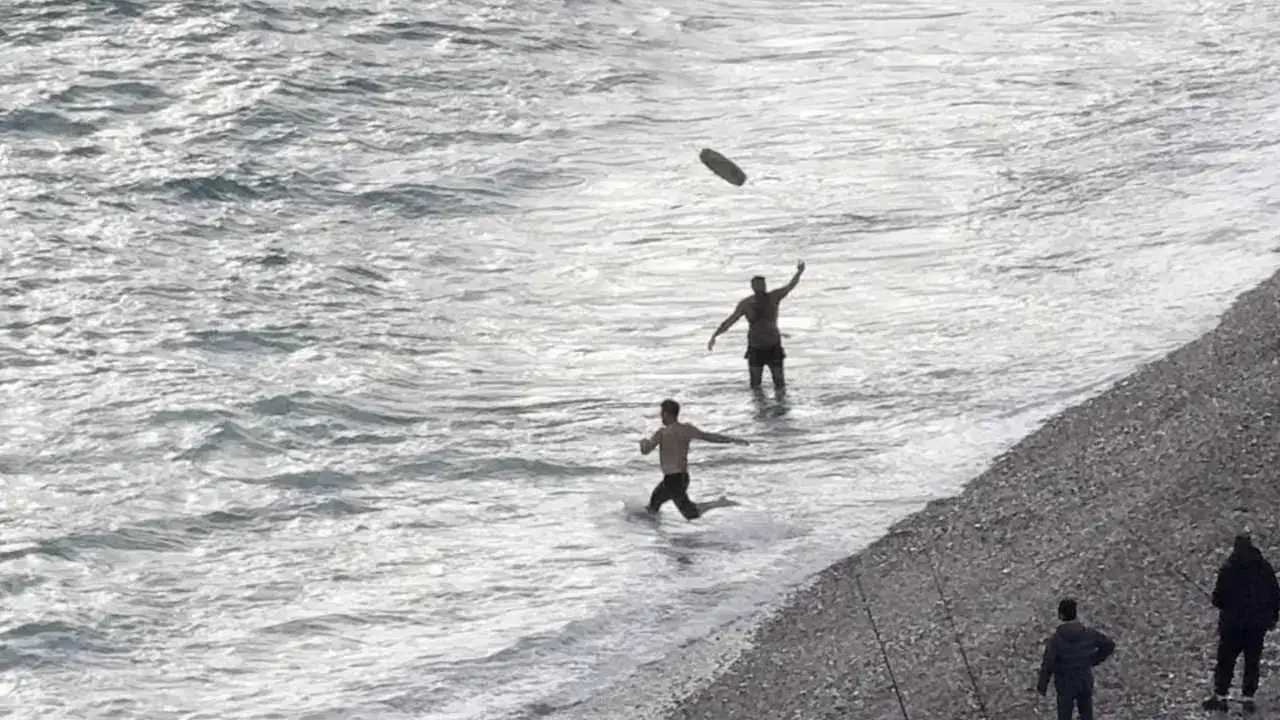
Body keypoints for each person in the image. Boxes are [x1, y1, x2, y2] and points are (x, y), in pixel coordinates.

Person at [1202, 533, 1280, 714]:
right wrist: (1272, 619)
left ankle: (1221, 696)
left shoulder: (1229, 568)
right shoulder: (1264, 568)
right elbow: (1276, 596)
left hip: (1232, 626)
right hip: (1256, 626)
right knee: (1252, 661)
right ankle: (1248, 698)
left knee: (1225, 661)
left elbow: (1218, 598)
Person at [638, 399, 748, 520]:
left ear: (666, 414)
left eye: (662, 414)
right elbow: (708, 436)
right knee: (652, 508)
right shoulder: (686, 429)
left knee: (691, 514)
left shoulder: (662, 433)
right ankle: (657, 534)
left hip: (673, 481)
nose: (661, 417)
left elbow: (645, 451)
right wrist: (731, 439)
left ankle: (718, 503)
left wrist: (643, 442)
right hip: (682, 478)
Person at [707, 260, 805, 390]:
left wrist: (799, 272)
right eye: (757, 285)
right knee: (755, 384)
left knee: (780, 384)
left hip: (773, 344)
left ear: (765, 285)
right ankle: (759, 408)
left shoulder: (773, 297)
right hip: (756, 346)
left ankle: (780, 408)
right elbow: (730, 321)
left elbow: (790, 286)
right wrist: (715, 335)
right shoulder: (746, 304)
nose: (760, 288)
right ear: (752, 287)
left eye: (762, 285)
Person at [1036, 598, 1116, 720]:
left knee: (1065, 715)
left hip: (1065, 683)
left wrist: (1042, 685)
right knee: (1086, 713)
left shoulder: (1056, 639)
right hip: (1084, 679)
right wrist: (1093, 660)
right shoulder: (1088, 633)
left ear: (1061, 616)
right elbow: (1109, 645)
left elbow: (1048, 663)